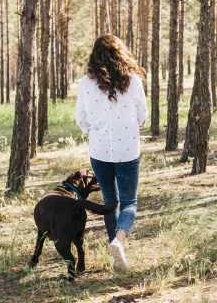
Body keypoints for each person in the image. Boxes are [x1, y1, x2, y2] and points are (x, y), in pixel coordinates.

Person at [75, 34, 148, 273]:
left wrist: (95, 131)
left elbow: (81, 119)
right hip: (128, 149)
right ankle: (119, 241)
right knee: (129, 202)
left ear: (95, 57)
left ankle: (115, 250)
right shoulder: (133, 80)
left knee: (110, 202)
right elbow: (142, 116)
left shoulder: (86, 82)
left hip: (100, 150)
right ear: (121, 53)